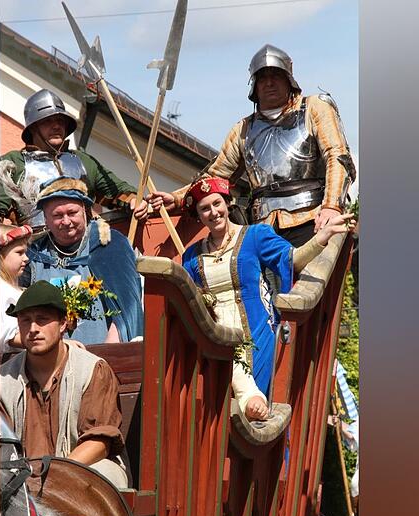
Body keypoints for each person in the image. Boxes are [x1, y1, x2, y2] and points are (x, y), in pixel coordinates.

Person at [145, 44, 357, 247]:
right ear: (254, 85)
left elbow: (338, 157)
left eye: (275, 75)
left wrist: (331, 207)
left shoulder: (314, 108)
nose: (269, 83)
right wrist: (177, 198)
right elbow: (217, 178)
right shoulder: (244, 129)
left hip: (312, 217)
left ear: (288, 79)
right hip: (262, 226)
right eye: (262, 78)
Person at [180, 177, 355, 420]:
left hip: (257, 337)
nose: (213, 212)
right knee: (218, 413)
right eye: (205, 208)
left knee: (257, 413)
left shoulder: (255, 236)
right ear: (199, 215)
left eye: (217, 203)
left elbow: (291, 259)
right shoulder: (190, 256)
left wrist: (321, 237)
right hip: (214, 340)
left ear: (228, 203)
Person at [0, 280, 128, 488]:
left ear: (63, 323)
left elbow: (99, 442)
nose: (33, 329)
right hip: (21, 481)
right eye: (25, 320)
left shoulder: (92, 370)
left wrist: (55, 477)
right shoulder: (2, 381)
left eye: (42, 319)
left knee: (104, 474)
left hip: (79, 473)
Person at [0, 88, 152, 227]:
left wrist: (135, 201)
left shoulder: (83, 161)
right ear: (33, 128)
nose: (56, 126)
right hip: (34, 249)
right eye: (47, 121)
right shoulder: (13, 162)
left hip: (83, 246)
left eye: (60, 121)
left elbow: (121, 193)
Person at [19, 174, 143, 345]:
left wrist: (107, 355)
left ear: (85, 211)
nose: (66, 221)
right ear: (46, 219)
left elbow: (126, 307)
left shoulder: (109, 245)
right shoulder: (33, 253)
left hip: (99, 358)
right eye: (57, 215)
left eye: (72, 213)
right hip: (46, 362)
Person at [0, 224, 33, 355]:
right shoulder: (1, 290)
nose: (26, 258)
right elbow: (7, 335)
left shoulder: (10, 288)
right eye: (19, 252)